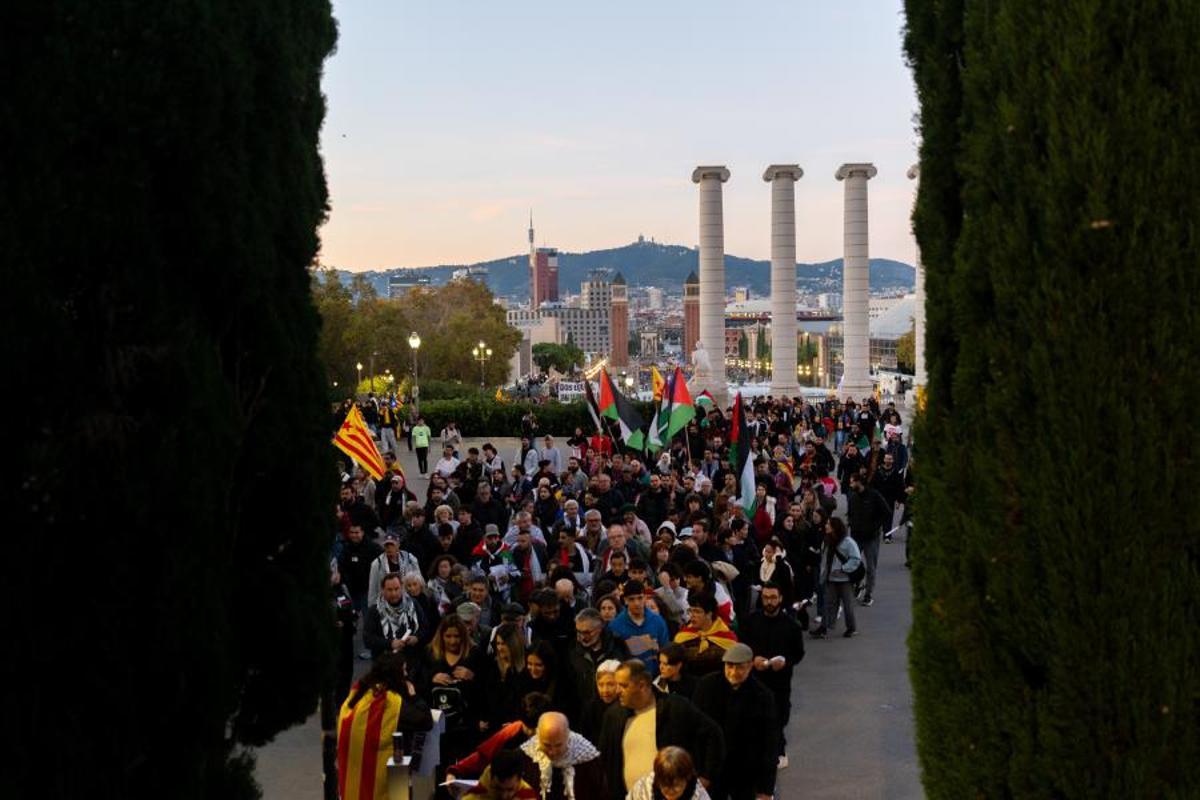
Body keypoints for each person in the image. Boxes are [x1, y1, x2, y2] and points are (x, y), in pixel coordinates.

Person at [597, 659, 725, 800]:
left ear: (642, 685)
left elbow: (714, 735)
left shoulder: (675, 707)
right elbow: (604, 760)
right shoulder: (613, 715)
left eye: (623, 686)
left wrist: (706, 776)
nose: (617, 691)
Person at [336, 653, 432, 800]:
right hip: (385, 776)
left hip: (354, 773)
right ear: (395, 674)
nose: (406, 675)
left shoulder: (358, 692)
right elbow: (425, 721)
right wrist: (414, 696)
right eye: (404, 670)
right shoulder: (390, 701)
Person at [691, 643, 778, 800]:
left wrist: (766, 788)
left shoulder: (763, 697)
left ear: (750, 666)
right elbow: (694, 733)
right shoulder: (706, 687)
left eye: (740, 668)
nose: (733, 672)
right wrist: (699, 773)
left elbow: (770, 744)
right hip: (711, 773)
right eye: (729, 666)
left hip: (746, 774)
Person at [737, 581, 806, 769]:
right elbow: (741, 646)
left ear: (781, 599)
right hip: (754, 680)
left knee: (777, 718)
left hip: (780, 683)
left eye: (773, 597)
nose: (769, 601)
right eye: (766, 597)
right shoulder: (750, 621)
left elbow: (798, 653)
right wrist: (753, 660)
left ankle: (779, 751)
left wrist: (785, 662)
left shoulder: (791, 626)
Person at [447, 692, 553, 780]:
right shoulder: (512, 731)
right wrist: (455, 770)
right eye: (527, 726)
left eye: (535, 729)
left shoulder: (556, 737)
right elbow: (483, 756)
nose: (530, 733)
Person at [516, 712, 608, 800]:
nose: (552, 752)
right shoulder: (526, 756)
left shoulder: (588, 759)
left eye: (558, 745)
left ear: (568, 737)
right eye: (547, 745)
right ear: (538, 737)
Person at [566, 608, 630, 714]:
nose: (582, 637)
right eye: (579, 632)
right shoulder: (573, 650)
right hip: (584, 713)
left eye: (587, 632)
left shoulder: (618, 646)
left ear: (600, 628)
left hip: (616, 711)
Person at [811, 517, 861, 639]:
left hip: (845, 580)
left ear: (835, 527)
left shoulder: (848, 542)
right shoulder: (827, 540)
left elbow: (856, 558)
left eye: (828, 524)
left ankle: (851, 628)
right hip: (831, 578)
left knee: (848, 605)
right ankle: (824, 628)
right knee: (828, 604)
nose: (826, 526)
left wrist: (843, 569)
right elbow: (825, 561)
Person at [606, 580, 670, 675]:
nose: (637, 603)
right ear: (625, 600)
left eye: (640, 598)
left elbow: (665, 651)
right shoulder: (615, 626)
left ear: (645, 597)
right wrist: (648, 643)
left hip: (655, 679)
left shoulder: (658, 621)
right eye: (632, 599)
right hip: (627, 680)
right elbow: (614, 659)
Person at [846, 471, 890, 606]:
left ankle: (868, 594)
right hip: (856, 537)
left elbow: (887, 512)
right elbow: (850, 514)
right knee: (853, 565)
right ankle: (858, 585)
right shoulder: (852, 497)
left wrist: (874, 527)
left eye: (852, 481)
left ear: (859, 482)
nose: (851, 484)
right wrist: (852, 525)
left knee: (871, 567)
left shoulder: (874, 495)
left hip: (871, 538)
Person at [672, 592, 737, 677]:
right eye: (690, 611)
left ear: (709, 614)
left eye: (697, 612)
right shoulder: (684, 635)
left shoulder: (727, 638)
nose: (692, 616)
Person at [363, 573, 425, 659]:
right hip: (385, 660)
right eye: (389, 590)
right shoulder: (374, 611)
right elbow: (368, 639)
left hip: (412, 658)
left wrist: (417, 638)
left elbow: (425, 627)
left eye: (396, 589)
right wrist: (390, 644)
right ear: (383, 590)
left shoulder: (413, 605)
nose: (394, 593)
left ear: (402, 588)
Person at [626, 746, 712, 800]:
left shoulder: (699, 795)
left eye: (676, 785)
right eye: (665, 785)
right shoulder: (643, 789)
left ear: (687, 778)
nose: (671, 791)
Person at [465, 748, 540, 800]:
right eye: (498, 788)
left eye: (510, 789)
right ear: (490, 777)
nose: (503, 797)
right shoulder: (475, 795)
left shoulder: (528, 796)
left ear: (519, 780)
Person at [577, 658, 622, 744]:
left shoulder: (627, 707)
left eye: (610, 684)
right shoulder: (590, 709)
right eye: (601, 685)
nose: (605, 690)